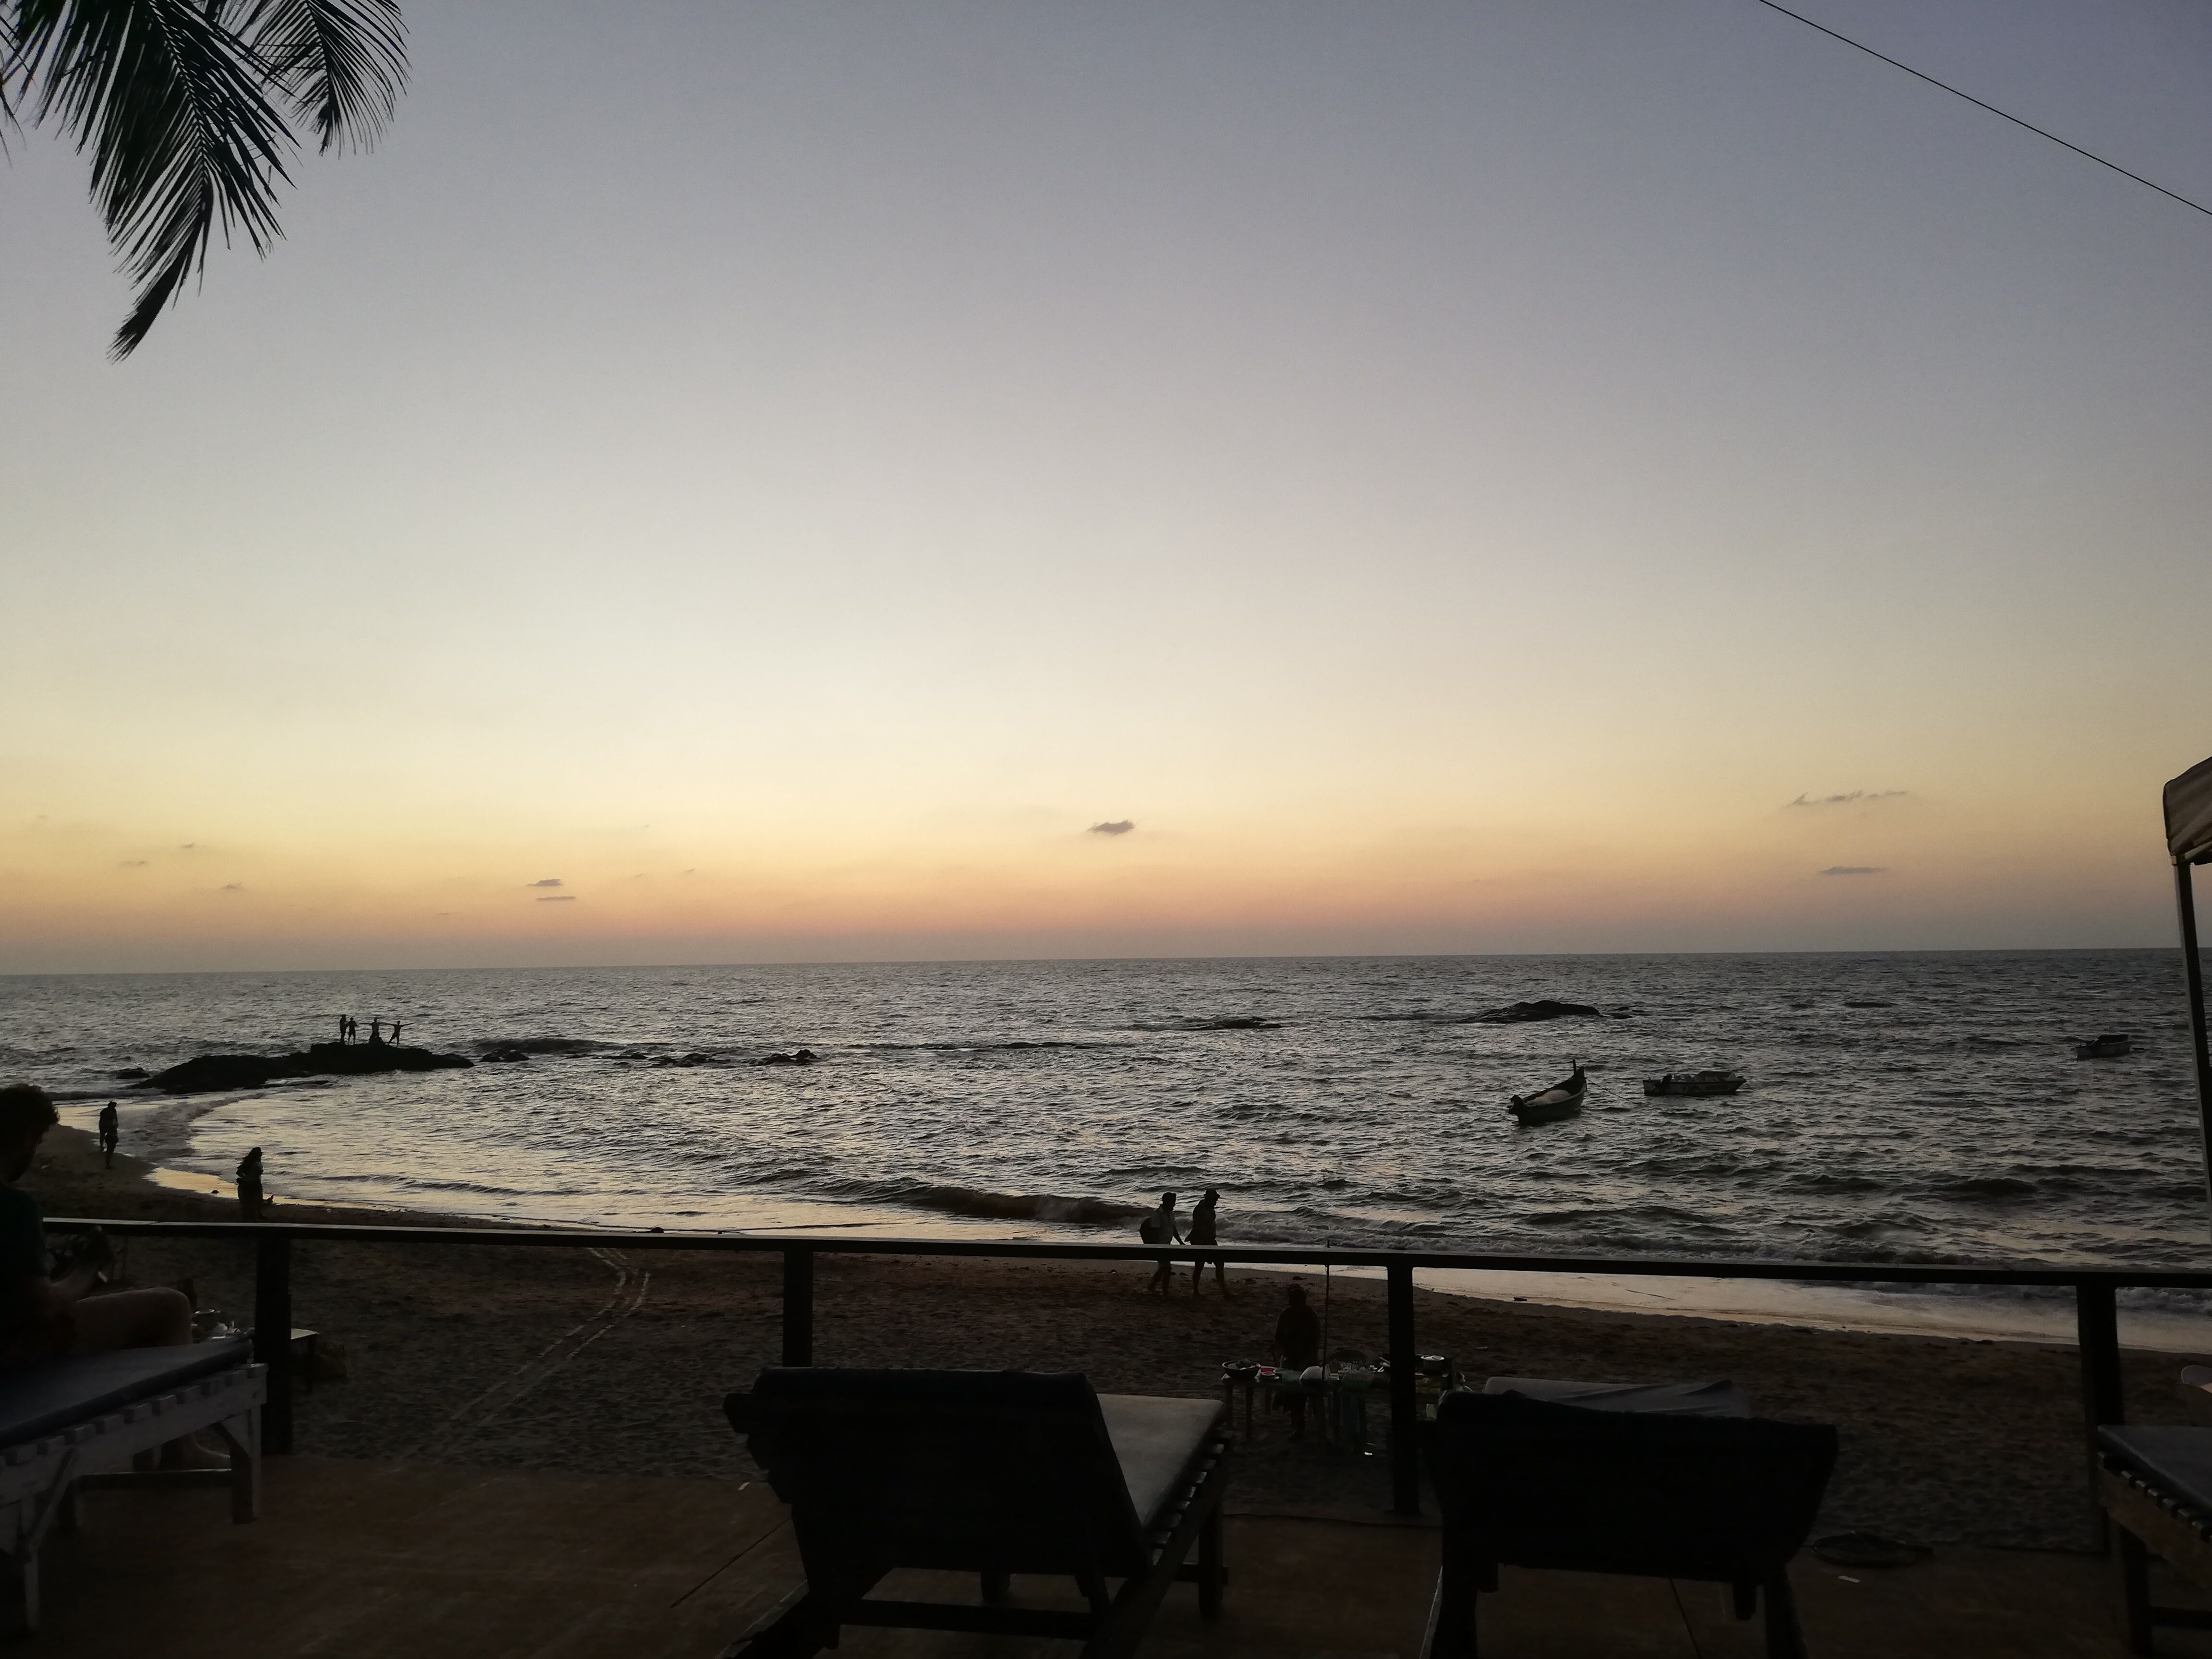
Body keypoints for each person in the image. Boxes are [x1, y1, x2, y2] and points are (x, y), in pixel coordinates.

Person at [0, 1085, 219, 1467]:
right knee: (171, 1306)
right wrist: (89, 1268)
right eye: (38, 1141)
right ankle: (180, 1449)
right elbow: (43, 1303)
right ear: (26, 1137)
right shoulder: (14, 1207)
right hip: (15, 1349)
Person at [1274, 1282, 1322, 1438]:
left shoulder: (1312, 1316)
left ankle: (1320, 1427)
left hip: (1309, 1361)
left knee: (1312, 1389)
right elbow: (1278, 1339)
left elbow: (1316, 1343)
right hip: (1290, 1358)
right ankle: (1298, 1425)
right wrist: (1286, 1355)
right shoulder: (1285, 1315)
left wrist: (1307, 1361)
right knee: (1292, 1389)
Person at [1139, 1190, 1183, 1294]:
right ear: (1166, 1202)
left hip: (1168, 1245)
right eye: (1173, 1202)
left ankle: (1154, 1286)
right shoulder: (1157, 1215)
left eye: (1175, 1202)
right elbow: (1154, 1231)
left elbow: (1173, 1229)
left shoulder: (1171, 1214)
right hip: (1159, 1246)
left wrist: (1180, 1242)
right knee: (1167, 1268)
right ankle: (1163, 1290)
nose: (1174, 1204)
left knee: (1165, 1268)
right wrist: (1155, 1248)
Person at [1188, 1188, 1228, 1296]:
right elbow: (1198, 1226)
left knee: (1219, 1263)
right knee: (1199, 1266)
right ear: (1209, 1199)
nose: (1216, 1202)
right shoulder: (1200, 1209)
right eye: (1215, 1200)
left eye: (1216, 1200)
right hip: (1201, 1240)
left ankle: (1224, 1288)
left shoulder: (1209, 1208)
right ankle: (1196, 1290)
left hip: (1210, 1240)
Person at [236, 1147, 265, 1221]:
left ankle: (248, 1217)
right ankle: (257, 1216)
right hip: (255, 1183)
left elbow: (239, 1172)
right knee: (257, 1201)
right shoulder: (258, 1164)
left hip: (245, 1183)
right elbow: (259, 1173)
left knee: (247, 1202)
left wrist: (245, 1177)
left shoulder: (247, 1163)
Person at [96, 1101, 119, 1168]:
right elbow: (104, 1119)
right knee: (104, 1135)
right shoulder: (106, 1111)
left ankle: (104, 1147)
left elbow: (115, 1118)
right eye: (114, 1106)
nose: (115, 1107)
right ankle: (102, 1146)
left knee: (104, 1135)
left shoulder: (112, 1111)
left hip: (106, 1124)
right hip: (105, 1124)